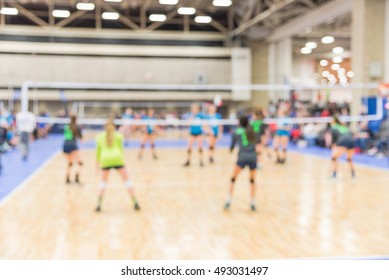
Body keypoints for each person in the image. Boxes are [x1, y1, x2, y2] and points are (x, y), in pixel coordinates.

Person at [95, 119, 140, 212]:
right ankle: (135, 202)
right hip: (117, 159)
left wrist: (97, 165)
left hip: (105, 160)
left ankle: (99, 204)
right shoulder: (119, 136)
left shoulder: (99, 137)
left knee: (103, 183)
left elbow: (98, 153)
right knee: (127, 181)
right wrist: (121, 161)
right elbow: (121, 149)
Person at [225, 115, 257, 211]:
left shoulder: (236, 132)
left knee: (233, 178)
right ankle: (252, 202)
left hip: (242, 157)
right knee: (252, 180)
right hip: (253, 157)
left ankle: (228, 200)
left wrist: (230, 150)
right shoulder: (252, 131)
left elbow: (232, 147)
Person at [63, 115, 83, 184]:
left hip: (65, 145)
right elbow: (81, 138)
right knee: (79, 162)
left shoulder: (67, 126)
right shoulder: (77, 127)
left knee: (70, 163)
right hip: (73, 145)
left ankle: (67, 177)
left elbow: (67, 136)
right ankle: (77, 176)